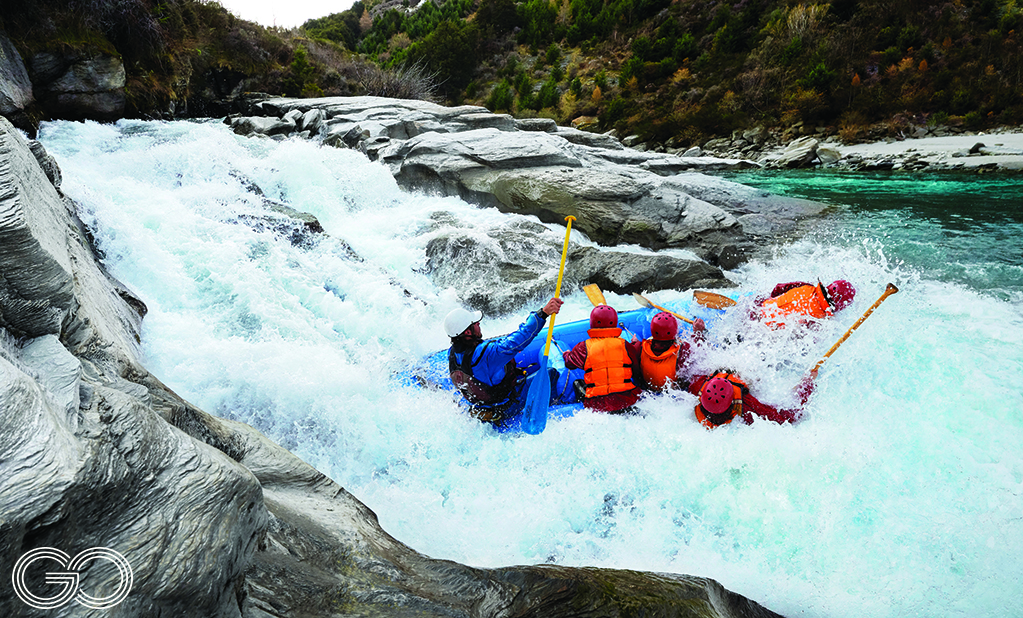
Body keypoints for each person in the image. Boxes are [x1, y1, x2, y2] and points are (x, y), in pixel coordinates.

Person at [445, 297, 563, 426]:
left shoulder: (452, 354)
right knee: (550, 373)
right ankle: (556, 406)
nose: (478, 324)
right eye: (475, 323)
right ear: (468, 332)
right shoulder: (487, 354)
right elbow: (519, 338)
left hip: (483, 408)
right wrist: (543, 313)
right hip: (506, 406)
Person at [562, 305, 642, 413]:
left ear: (592, 323)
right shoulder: (625, 345)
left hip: (598, 404)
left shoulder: (584, 347)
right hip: (627, 399)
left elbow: (569, 364)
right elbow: (636, 368)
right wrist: (635, 345)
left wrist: (566, 354)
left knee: (577, 383)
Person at [684, 369, 816, 429]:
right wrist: (807, 383)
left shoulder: (697, 387)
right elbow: (787, 418)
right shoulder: (747, 407)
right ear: (733, 400)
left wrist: (699, 335)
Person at [637, 311, 706, 392]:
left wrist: (635, 342)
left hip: (650, 389)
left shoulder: (640, 346)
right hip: (674, 391)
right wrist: (698, 333)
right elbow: (699, 352)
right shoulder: (683, 349)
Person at [756, 280, 856, 327]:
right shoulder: (820, 320)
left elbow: (779, 287)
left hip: (759, 310)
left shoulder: (806, 286)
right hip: (766, 332)